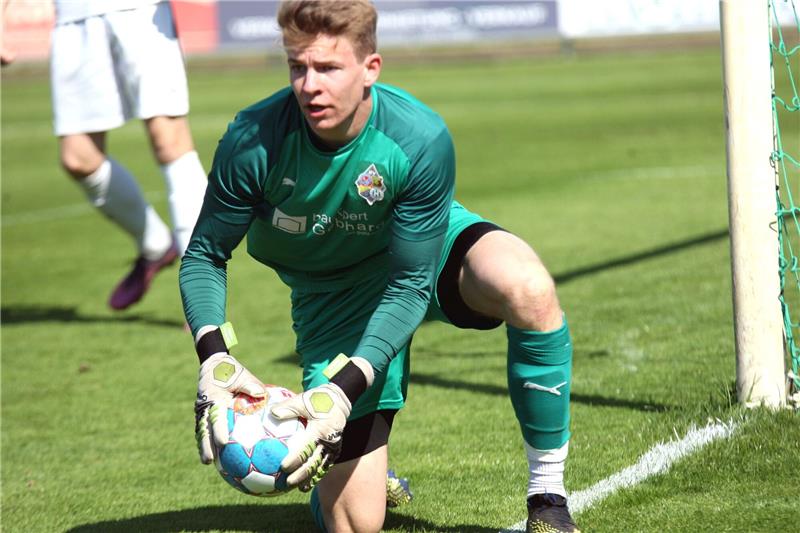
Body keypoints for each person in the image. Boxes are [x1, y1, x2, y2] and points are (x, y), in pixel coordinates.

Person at [184, 1, 579, 532]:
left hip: (419, 252)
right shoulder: (252, 140)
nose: (309, 86)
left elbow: (411, 284)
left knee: (527, 287)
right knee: (355, 524)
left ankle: (548, 496)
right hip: (332, 296)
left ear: (371, 68)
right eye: (298, 67)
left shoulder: (418, 136)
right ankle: (346, 479)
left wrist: (343, 389)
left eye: (328, 68)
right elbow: (205, 255)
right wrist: (213, 357)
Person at [50, 0, 207, 310]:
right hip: (73, 16)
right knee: (78, 159)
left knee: (169, 141)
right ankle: (155, 244)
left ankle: (202, 297)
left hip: (140, 11)